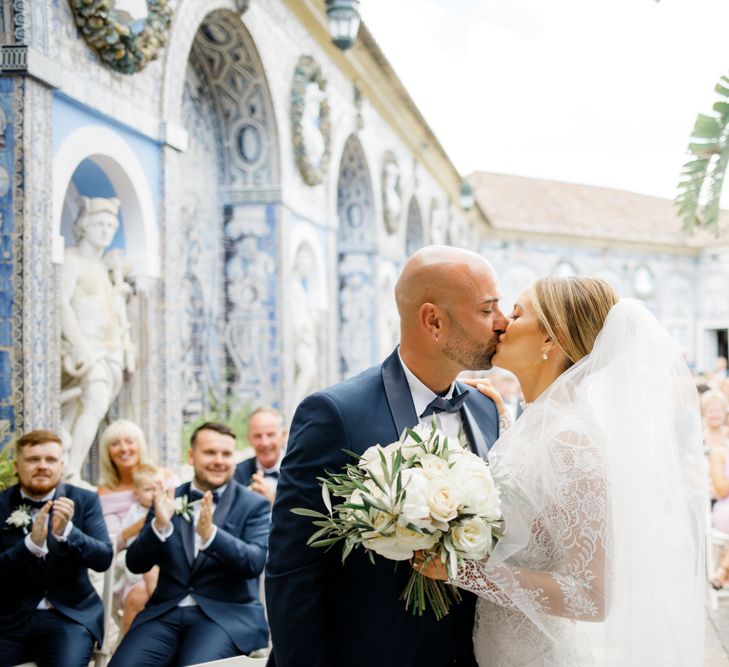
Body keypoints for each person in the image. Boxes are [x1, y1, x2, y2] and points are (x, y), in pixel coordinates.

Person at [416, 277, 705, 665]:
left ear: (551, 341)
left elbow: (592, 596)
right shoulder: (535, 421)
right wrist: (497, 422)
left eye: (517, 314)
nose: (501, 322)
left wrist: (462, 571)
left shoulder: (572, 442)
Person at [266, 245, 507, 666]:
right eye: (488, 310)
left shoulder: (486, 410)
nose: (502, 324)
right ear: (434, 320)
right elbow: (293, 570)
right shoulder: (336, 414)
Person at [109, 422, 270, 666]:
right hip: (164, 614)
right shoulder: (168, 498)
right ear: (191, 456)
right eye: (210, 453)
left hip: (224, 617)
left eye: (226, 454)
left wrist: (212, 536)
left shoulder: (253, 505)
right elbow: (135, 563)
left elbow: (254, 562)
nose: (219, 460)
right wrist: (159, 527)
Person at [0, 429, 113, 666]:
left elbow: (103, 558)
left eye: (50, 459)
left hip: (69, 618)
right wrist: (29, 545)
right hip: (10, 621)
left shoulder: (84, 500)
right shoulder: (1, 504)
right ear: (16, 466)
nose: (42, 466)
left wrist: (68, 532)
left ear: (61, 465)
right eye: (33, 459)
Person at [60, 197, 136, 475]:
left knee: (93, 406)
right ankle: (71, 469)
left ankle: (71, 464)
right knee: (94, 401)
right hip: (87, 350)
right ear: (83, 226)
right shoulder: (73, 259)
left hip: (110, 350)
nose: (106, 231)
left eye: (110, 225)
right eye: (99, 224)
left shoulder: (103, 268)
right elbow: (61, 304)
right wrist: (80, 347)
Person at [97, 419, 177, 544]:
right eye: (115, 444)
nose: (124, 448)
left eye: (129, 442)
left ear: (139, 445)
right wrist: (153, 520)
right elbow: (112, 542)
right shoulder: (104, 493)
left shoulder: (165, 476)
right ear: (107, 452)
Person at [119, 463, 162, 634]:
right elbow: (124, 536)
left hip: (159, 561)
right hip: (138, 562)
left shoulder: (164, 507)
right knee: (151, 572)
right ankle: (158, 603)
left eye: (156, 488)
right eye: (147, 490)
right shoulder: (134, 512)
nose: (153, 494)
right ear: (136, 494)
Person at [234, 407, 287, 504]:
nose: (265, 443)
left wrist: (274, 504)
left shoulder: (299, 469)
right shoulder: (237, 473)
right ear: (249, 439)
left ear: (283, 435)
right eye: (258, 436)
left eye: (270, 435)